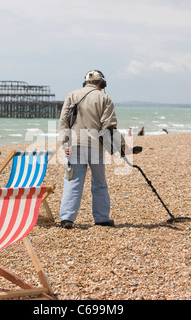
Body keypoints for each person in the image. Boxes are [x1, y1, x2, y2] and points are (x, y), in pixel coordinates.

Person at [58, 70, 129, 229]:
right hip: (96, 146)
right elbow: (109, 126)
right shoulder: (104, 98)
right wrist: (122, 145)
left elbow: (63, 123)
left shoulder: (72, 95)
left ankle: (67, 219)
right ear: (101, 83)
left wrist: (65, 145)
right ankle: (102, 218)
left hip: (75, 145)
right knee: (99, 183)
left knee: (73, 181)